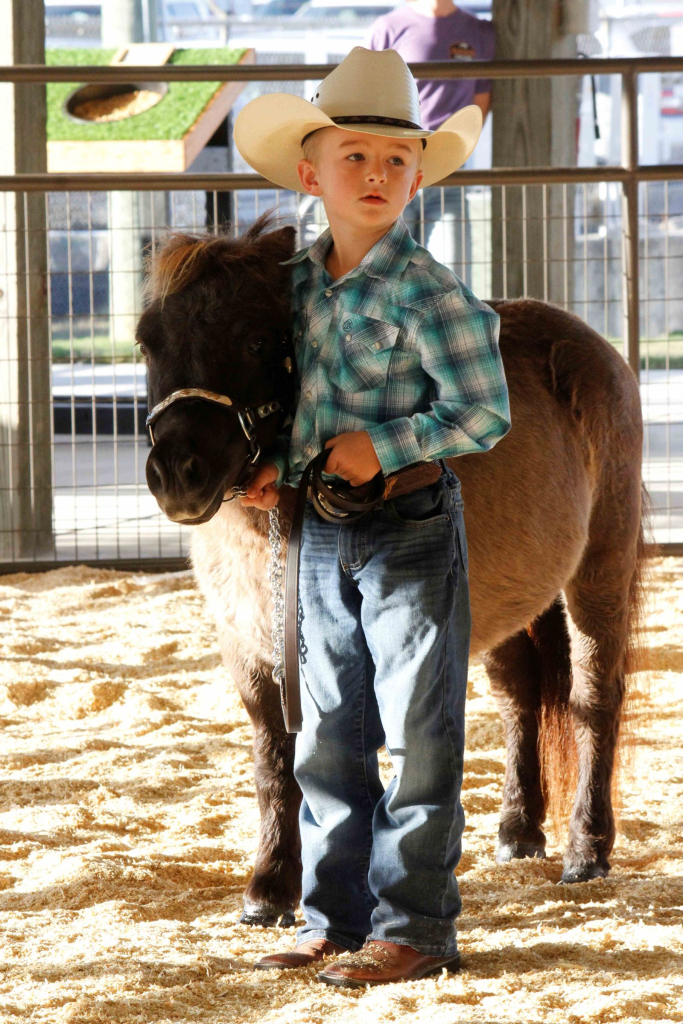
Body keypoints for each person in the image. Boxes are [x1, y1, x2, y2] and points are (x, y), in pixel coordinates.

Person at [232, 46, 510, 988]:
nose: (378, 175)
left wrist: (383, 447)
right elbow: (307, 405)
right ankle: (333, 919)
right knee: (325, 732)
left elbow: (482, 413)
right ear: (310, 173)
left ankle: (417, 928)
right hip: (318, 530)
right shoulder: (302, 286)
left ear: (419, 176)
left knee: (419, 730)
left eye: (397, 160)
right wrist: (284, 465)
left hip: (409, 527)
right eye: (355, 157)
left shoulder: (432, 292)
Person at [368, 0, 495, 282]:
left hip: (448, 173)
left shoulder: (480, 32)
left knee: (452, 279)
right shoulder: (387, 29)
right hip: (393, 172)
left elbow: (480, 102)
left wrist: (453, 151)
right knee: (386, 280)